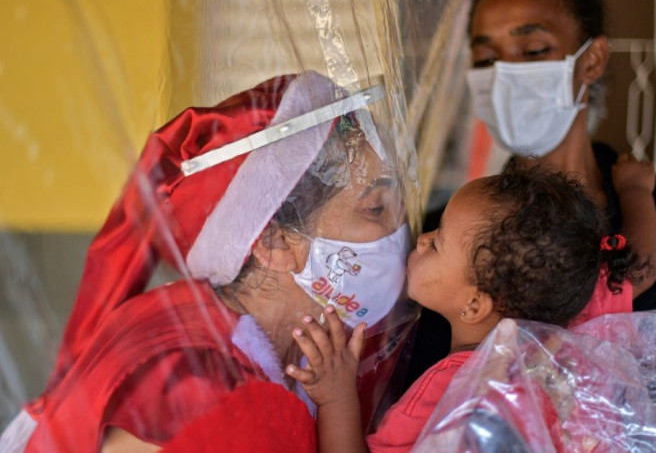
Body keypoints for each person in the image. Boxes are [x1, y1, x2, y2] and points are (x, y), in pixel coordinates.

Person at [0, 71, 416, 452]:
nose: (402, 230)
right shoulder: (212, 394)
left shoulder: (194, 317)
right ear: (273, 241)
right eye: (376, 209)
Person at [285, 165, 644, 452]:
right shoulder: (567, 345)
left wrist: (337, 395)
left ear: (473, 305)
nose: (422, 239)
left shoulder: (453, 393)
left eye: (437, 242)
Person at [465, 0, 656, 327]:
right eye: (486, 58)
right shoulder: (455, 234)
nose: (504, 77)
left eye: (532, 51)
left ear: (592, 60)